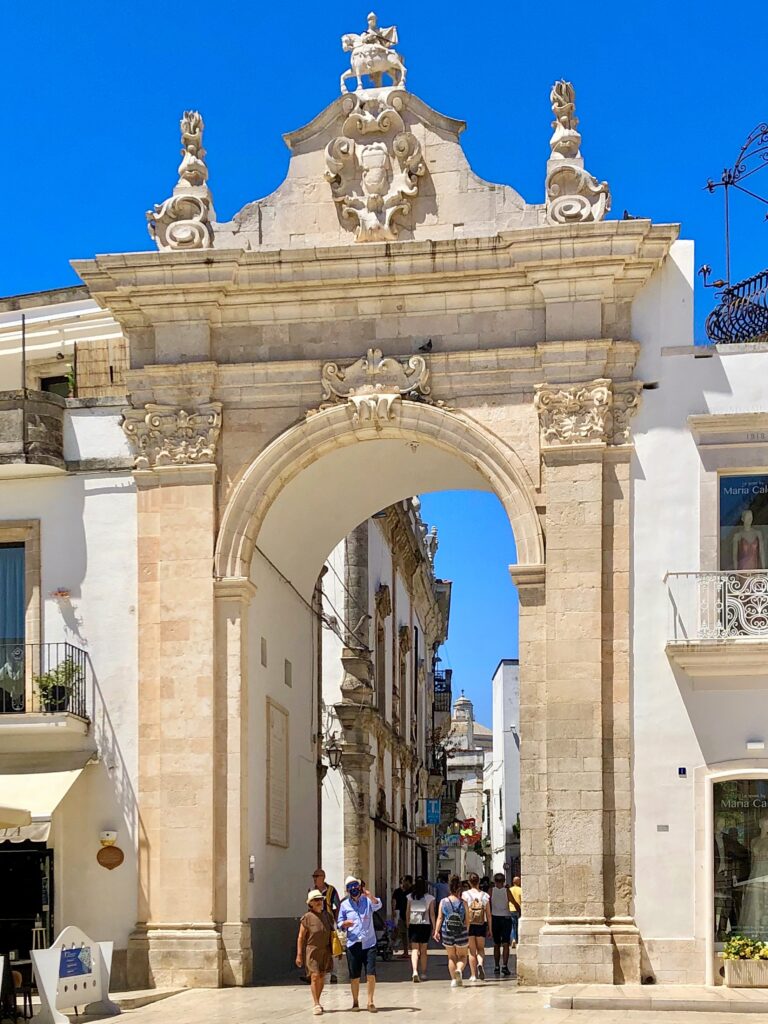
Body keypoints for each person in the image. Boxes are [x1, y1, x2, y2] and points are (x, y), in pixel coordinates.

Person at [338, 876, 382, 1013]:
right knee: (355, 976)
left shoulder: (367, 901)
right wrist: (344, 924)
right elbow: (339, 923)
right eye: (350, 887)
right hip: (353, 944)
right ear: (347, 890)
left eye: (355, 886)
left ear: (360, 887)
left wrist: (371, 896)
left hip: (369, 943)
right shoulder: (344, 905)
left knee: (370, 973)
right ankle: (355, 1002)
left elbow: (378, 905)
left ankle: (370, 1002)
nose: (354, 889)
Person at [296, 889, 335, 1015]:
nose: (319, 902)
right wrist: (299, 955)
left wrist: (337, 950)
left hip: (325, 950)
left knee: (322, 975)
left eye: (321, 899)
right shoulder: (306, 918)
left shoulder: (327, 916)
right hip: (312, 950)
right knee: (314, 976)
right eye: (316, 900)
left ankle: (318, 1000)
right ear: (311, 903)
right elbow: (301, 937)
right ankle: (316, 1003)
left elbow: (333, 934)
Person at [434, 874, 469, 987]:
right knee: (463, 956)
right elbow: (467, 919)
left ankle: (453, 980)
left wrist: (436, 931)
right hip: (461, 931)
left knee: (451, 957)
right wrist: (467, 930)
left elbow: (440, 917)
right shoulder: (463, 903)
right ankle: (459, 970)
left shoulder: (443, 902)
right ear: (460, 888)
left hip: (447, 931)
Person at [311, 869, 341, 983]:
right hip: (316, 922)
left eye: (316, 876)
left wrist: (336, 920)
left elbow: (338, 905)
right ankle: (316, 972)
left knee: (333, 947)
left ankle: (334, 973)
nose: (314, 878)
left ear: (323, 877)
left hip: (329, 921)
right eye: (313, 876)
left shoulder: (331, 890)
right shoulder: (313, 891)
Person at [462, 872, 491, 982]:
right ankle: (480, 963)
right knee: (481, 949)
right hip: (481, 924)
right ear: (479, 882)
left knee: (472, 951)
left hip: (470, 925)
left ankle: (473, 975)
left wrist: (465, 927)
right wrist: (490, 929)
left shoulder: (465, 895)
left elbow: (465, 912)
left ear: (469, 882)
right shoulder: (485, 896)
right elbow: (488, 914)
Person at [406, 875, 435, 982]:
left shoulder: (410, 897)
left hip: (414, 925)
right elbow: (432, 914)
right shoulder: (430, 898)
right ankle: (423, 973)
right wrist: (435, 928)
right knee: (423, 951)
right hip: (425, 925)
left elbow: (407, 912)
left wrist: (408, 924)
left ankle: (414, 971)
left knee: (414, 950)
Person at [490, 872, 513, 975]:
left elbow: (487, 904)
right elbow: (514, 902)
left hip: (495, 918)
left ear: (495, 881)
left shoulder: (491, 891)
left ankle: (496, 966)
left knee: (496, 944)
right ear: (504, 881)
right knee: (506, 944)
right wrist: (519, 911)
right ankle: (504, 965)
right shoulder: (506, 891)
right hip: (506, 918)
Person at [392, 875, 412, 958]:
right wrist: (393, 910)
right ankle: (405, 951)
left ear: (409, 882)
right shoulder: (397, 891)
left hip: (411, 915)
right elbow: (394, 901)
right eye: (402, 882)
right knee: (403, 933)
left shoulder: (412, 891)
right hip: (401, 914)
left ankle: (414, 950)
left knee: (411, 934)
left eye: (405, 881)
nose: (403, 883)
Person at [509, 876, 522, 963]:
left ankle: (513, 939)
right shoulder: (520, 890)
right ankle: (516, 939)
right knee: (517, 925)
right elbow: (521, 900)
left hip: (510, 909)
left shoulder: (509, 889)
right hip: (518, 909)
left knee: (512, 926)